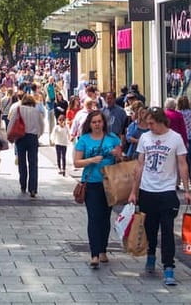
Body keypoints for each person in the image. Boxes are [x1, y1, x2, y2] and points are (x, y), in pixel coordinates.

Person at [128, 107, 190, 286]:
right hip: (147, 190)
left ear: (161, 121)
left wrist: (186, 189)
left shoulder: (175, 138)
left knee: (168, 230)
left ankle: (169, 266)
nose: (149, 127)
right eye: (147, 123)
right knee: (150, 228)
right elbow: (139, 165)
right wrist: (134, 191)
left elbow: (182, 164)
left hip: (167, 190)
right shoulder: (145, 138)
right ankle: (150, 254)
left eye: (151, 123)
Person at [74, 111, 123, 268]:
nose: (97, 124)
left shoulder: (112, 138)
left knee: (105, 217)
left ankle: (103, 249)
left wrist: (117, 154)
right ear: (89, 124)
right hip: (92, 183)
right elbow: (76, 162)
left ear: (104, 123)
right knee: (94, 217)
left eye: (99, 122)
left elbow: (121, 159)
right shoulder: (84, 140)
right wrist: (91, 160)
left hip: (110, 182)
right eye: (94, 122)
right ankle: (94, 253)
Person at [8, 94, 44, 196]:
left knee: (22, 162)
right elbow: (41, 125)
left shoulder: (18, 109)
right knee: (33, 163)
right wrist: (38, 135)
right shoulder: (36, 111)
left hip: (20, 137)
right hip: (32, 137)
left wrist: (10, 136)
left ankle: (23, 184)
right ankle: (32, 188)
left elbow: (12, 123)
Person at [178, 97, 191, 183]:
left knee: (182, 158)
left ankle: (182, 177)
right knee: (189, 158)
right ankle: (190, 177)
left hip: (181, 138)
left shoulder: (178, 113)